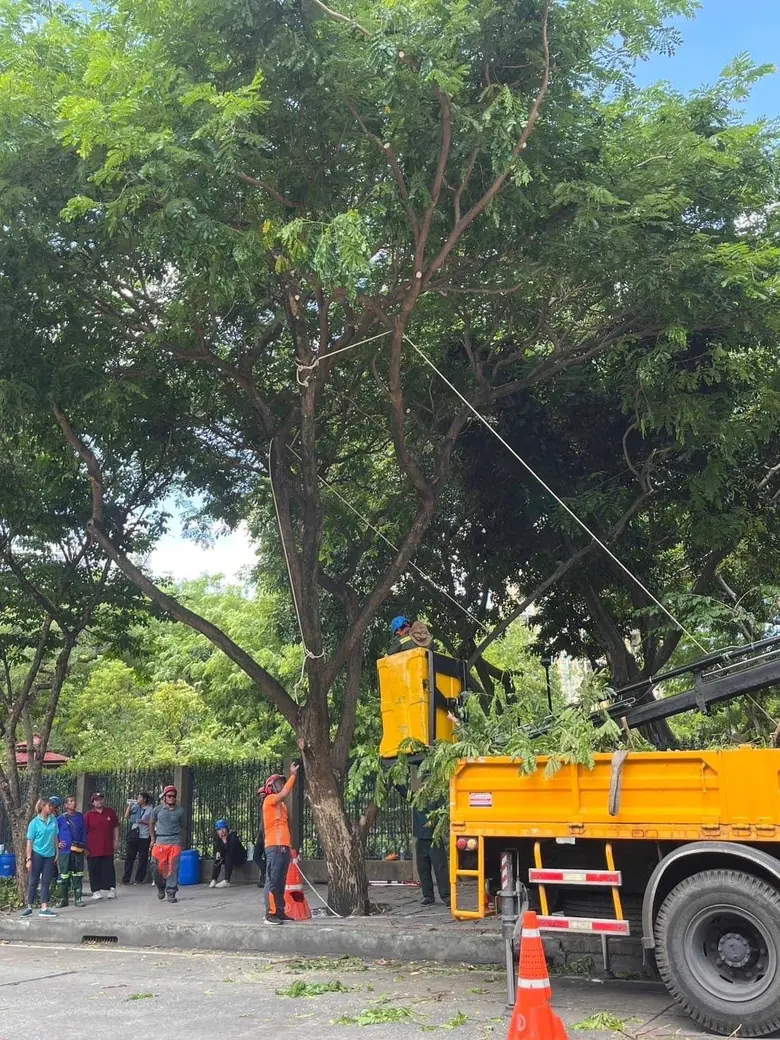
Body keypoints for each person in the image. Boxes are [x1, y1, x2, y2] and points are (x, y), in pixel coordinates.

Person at [397, 785, 450, 907]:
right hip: (421, 839)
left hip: (434, 839)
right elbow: (404, 792)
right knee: (423, 869)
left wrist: (432, 822)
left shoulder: (438, 798)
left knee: (440, 869)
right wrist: (395, 782)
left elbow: (442, 814)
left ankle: (447, 897)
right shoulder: (416, 798)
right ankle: (428, 896)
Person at [260, 763, 299, 924]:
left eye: (282, 783)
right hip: (274, 846)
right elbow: (284, 793)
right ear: (270, 787)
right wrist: (293, 776)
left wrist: (290, 847)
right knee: (273, 881)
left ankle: (280, 912)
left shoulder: (282, 806)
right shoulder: (270, 800)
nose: (281, 785)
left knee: (281, 882)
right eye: (278, 783)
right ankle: (270, 913)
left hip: (283, 846)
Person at [20, 797, 59, 918]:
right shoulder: (34, 823)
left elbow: (55, 837)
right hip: (37, 854)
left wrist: (57, 852)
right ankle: (29, 907)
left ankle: (44, 908)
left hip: (50, 854)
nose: (51, 808)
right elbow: (29, 842)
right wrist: (28, 859)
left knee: (46, 881)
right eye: (49, 806)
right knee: (33, 881)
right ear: (42, 807)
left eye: (52, 806)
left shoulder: (53, 820)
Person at [150, 784, 185, 904]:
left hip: (175, 842)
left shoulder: (180, 811)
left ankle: (171, 892)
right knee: (155, 867)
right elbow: (151, 823)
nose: (172, 798)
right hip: (160, 841)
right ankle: (160, 886)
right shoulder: (157, 810)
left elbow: (183, 825)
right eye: (169, 796)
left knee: (173, 868)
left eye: (174, 796)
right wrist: (152, 838)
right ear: (164, 797)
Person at [85, 792, 120, 900]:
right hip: (93, 847)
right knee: (93, 868)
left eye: (101, 799)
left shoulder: (110, 812)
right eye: (97, 800)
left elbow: (116, 826)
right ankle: (96, 890)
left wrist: (116, 840)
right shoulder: (88, 815)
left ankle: (112, 889)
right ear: (93, 802)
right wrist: (84, 846)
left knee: (108, 867)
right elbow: (84, 831)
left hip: (107, 846)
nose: (99, 801)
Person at [55, 794, 87, 908]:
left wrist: (84, 846)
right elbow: (54, 833)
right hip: (65, 851)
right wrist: (58, 843)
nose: (74, 803)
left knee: (78, 875)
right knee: (64, 876)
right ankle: (64, 899)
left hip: (78, 850)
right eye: (71, 801)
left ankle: (78, 898)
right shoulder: (60, 819)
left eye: (74, 801)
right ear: (66, 805)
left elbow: (84, 832)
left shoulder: (80, 817)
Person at [121, 791, 152, 885]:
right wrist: (130, 806)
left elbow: (152, 822)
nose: (138, 799)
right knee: (130, 856)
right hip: (134, 834)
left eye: (139, 798)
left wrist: (144, 822)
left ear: (144, 799)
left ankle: (139, 878)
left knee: (142, 857)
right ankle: (126, 878)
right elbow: (126, 816)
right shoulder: (135, 807)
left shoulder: (150, 809)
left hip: (144, 835)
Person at [209, 819, 247, 888]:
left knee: (228, 856)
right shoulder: (218, 838)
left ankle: (226, 881)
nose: (222, 831)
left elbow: (230, 851)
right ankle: (213, 879)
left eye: (223, 828)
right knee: (217, 858)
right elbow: (216, 848)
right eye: (219, 829)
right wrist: (217, 853)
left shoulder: (232, 836)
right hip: (229, 859)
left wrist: (225, 841)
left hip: (239, 858)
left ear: (227, 829)